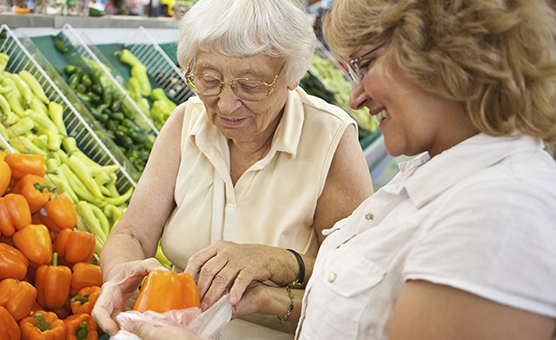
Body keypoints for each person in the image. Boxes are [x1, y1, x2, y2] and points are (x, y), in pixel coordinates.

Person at [108, 0, 556, 339]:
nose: (355, 97)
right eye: (209, 80)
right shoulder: (431, 180)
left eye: (365, 65)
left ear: (445, 61)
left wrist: (276, 266)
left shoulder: (503, 210)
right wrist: (261, 295)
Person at [91, 0, 374, 338]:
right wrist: (120, 273)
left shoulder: (331, 139)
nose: (225, 104)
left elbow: (358, 287)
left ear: (291, 76)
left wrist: (275, 268)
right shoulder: (186, 121)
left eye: (250, 85)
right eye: (209, 80)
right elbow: (132, 234)